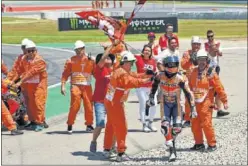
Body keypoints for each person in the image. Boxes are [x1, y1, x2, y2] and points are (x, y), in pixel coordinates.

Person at [103, 51, 154, 162]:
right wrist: (149, 79)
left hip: (110, 102)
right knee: (122, 127)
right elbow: (133, 82)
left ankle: (107, 149)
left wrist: (146, 73)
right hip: (115, 103)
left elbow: (134, 75)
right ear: (125, 62)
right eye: (131, 63)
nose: (132, 65)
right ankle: (120, 153)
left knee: (111, 126)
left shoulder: (120, 71)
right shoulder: (122, 74)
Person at [146, 55, 196, 162]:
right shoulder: (160, 76)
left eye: (174, 65)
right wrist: (151, 98)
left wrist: (193, 108)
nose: (172, 68)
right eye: (170, 65)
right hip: (165, 104)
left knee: (177, 129)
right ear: (165, 66)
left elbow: (188, 93)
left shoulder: (181, 78)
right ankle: (172, 149)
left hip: (177, 104)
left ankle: (171, 142)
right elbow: (154, 87)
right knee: (165, 127)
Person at [189, 49, 228, 152]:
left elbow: (219, 87)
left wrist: (224, 101)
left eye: (203, 60)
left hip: (207, 102)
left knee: (206, 124)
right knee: (195, 123)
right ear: (196, 60)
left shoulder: (211, 73)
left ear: (207, 60)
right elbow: (189, 86)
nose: (201, 62)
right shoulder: (193, 71)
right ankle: (199, 144)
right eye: (199, 59)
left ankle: (212, 144)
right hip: (195, 102)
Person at [12, 40, 48, 132]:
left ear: (36, 50)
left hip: (39, 86)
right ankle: (33, 122)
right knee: (29, 104)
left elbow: (31, 73)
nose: (31, 53)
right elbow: (18, 71)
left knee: (38, 103)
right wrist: (11, 81)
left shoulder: (40, 60)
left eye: (33, 50)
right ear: (26, 51)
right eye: (29, 51)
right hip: (28, 85)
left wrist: (19, 82)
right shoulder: (24, 59)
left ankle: (40, 122)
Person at [61, 40, 95, 133]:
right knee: (74, 106)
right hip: (75, 86)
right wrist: (63, 85)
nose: (78, 52)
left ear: (84, 49)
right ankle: (70, 124)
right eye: (77, 50)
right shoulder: (71, 60)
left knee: (89, 106)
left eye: (80, 50)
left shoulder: (91, 60)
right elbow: (65, 74)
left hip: (87, 86)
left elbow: (96, 72)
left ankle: (89, 125)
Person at [90, 43, 116, 153]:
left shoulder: (116, 70)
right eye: (106, 58)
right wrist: (110, 46)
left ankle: (113, 147)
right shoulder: (99, 70)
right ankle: (94, 141)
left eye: (110, 58)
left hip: (112, 102)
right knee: (100, 123)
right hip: (100, 101)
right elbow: (103, 58)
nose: (107, 59)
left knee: (114, 124)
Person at [204, 30, 229, 117]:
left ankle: (219, 110)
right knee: (209, 89)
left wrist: (216, 49)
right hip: (207, 69)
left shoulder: (217, 43)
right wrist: (209, 50)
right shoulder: (205, 45)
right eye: (208, 36)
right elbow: (204, 56)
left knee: (217, 88)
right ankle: (208, 109)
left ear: (214, 36)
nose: (210, 38)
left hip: (215, 68)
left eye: (211, 36)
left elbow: (221, 54)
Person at [135, 45, 158, 132]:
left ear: (151, 52)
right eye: (145, 50)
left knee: (154, 104)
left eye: (149, 50)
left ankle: (150, 123)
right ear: (142, 51)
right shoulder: (138, 58)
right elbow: (127, 53)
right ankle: (144, 124)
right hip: (141, 86)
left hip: (151, 86)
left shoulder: (153, 61)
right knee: (143, 104)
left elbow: (155, 72)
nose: (147, 52)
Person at [180, 36, 201, 127]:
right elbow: (183, 65)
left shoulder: (202, 53)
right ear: (191, 44)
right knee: (188, 99)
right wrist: (190, 60)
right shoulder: (186, 53)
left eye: (198, 44)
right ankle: (187, 119)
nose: (196, 46)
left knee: (200, 99)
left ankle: (199, 117)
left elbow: (207, 63)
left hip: (200, 79)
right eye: (194, 44)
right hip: (189, 79)